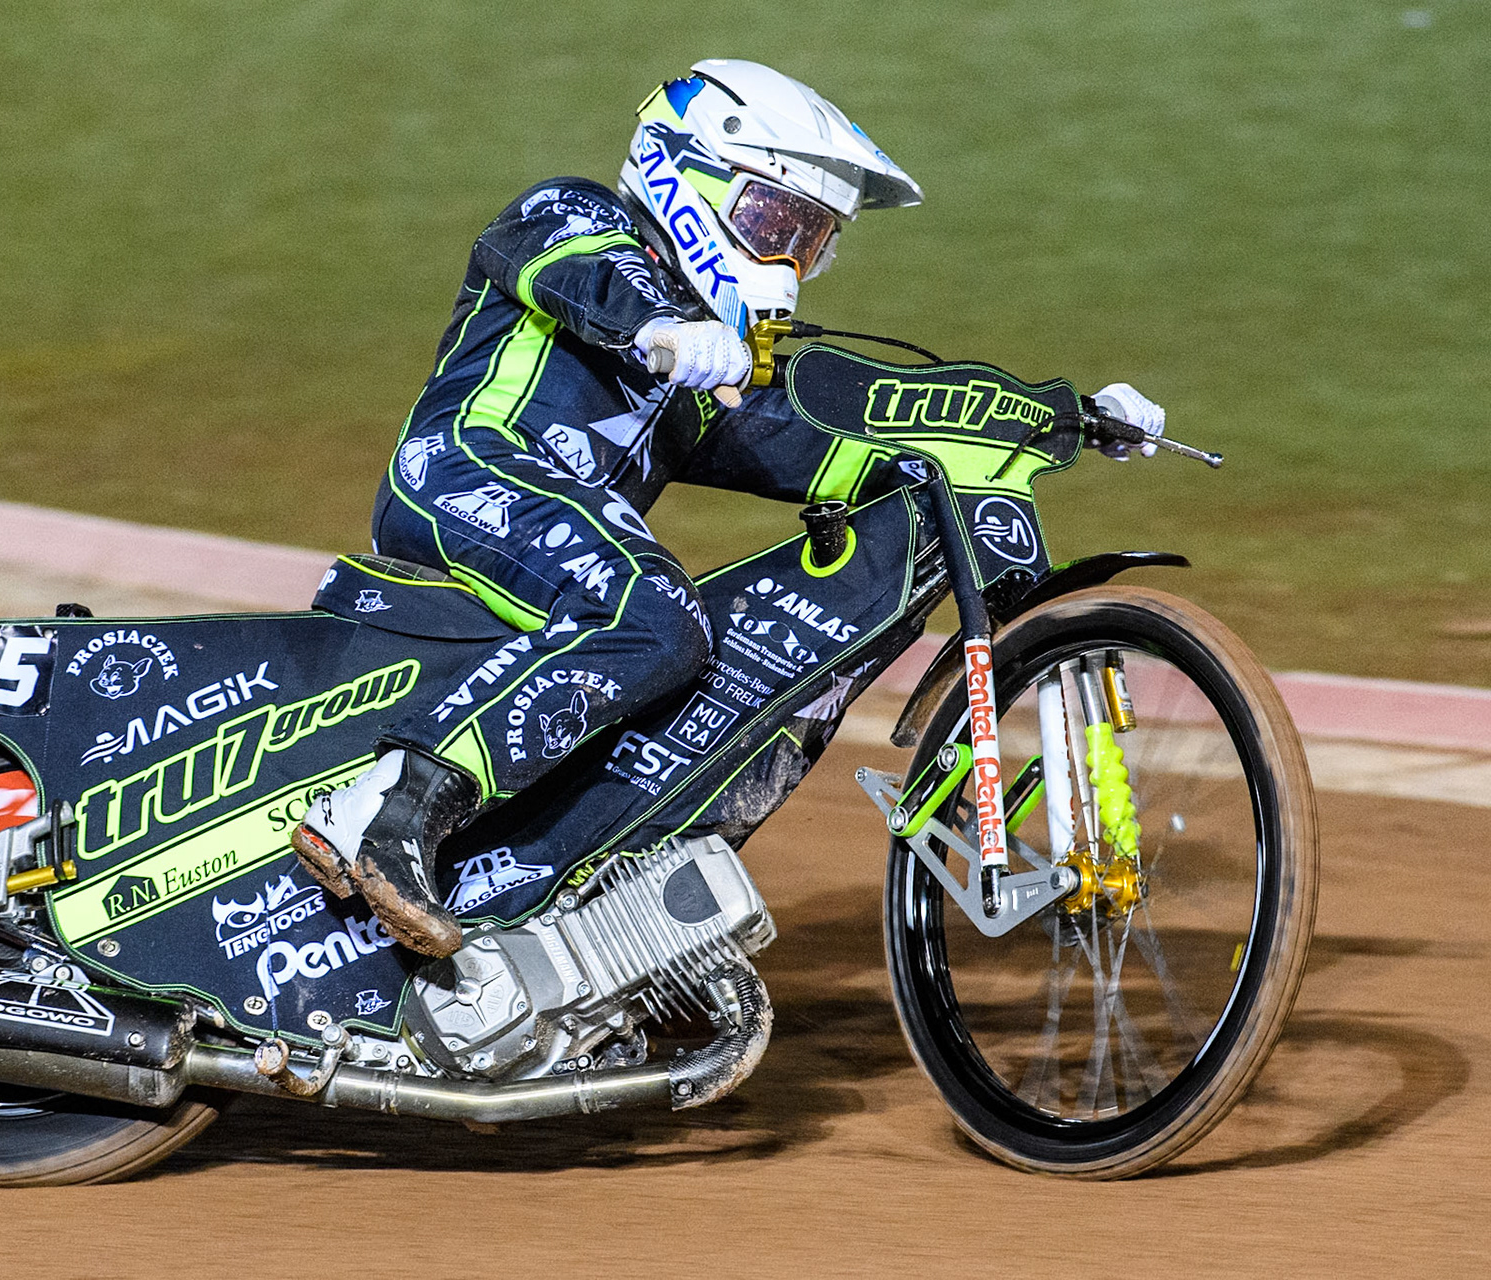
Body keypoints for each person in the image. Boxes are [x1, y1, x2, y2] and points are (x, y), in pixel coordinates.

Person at [292, 58, 1165, 956]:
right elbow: (587, 276)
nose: (789, 260)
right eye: (775, 221)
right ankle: (380, 809)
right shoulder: (574, 212)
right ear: (681, 172)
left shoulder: (714, 376)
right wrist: (663, 329)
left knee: (719, 671)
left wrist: (1056, 416)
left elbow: (857, 438)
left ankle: (585, 915)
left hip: (549, 553)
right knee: (656, 611)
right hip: (458, 477)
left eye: (813, 239)